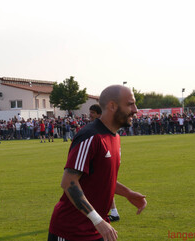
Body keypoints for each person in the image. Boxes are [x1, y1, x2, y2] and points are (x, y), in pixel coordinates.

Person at [48, 85, 147, 241]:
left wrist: (127, 193)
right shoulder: (90, 136)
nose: (135, 109)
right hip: (71, 231)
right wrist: (97, 220)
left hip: (96, 229)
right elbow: (69, 183)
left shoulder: (114, 137)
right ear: (112, 106)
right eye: (130, 104)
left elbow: (102, 179)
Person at [89, 103, 120, 222]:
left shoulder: (103, 130)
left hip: (103, 161)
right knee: (106, 185)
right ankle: (112, 212)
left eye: (92, 113)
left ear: (98, 114)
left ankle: (107, 213)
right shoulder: (95, 127)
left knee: (106, 185)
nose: (90, 115)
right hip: (100, 161)